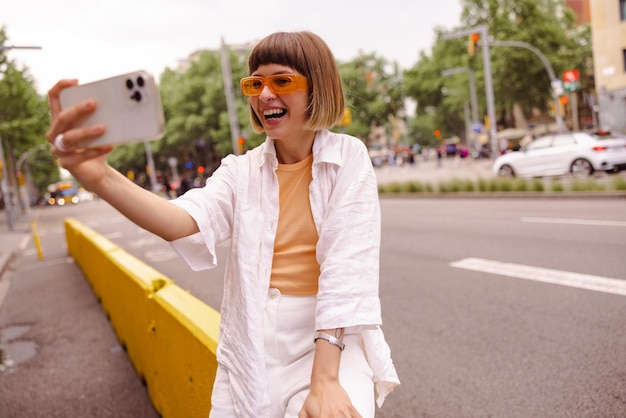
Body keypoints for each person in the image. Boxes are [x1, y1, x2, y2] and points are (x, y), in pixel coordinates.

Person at [46, 31, 399, 418]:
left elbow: (346, 273)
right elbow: (181, 221)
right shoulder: (239, 171)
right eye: (255, 83)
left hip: (332, 343)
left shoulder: (349, 157)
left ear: (318, 88)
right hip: (251, 345)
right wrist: (99, 177)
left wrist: (325, 380)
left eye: (282, 81)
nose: (265, 95)